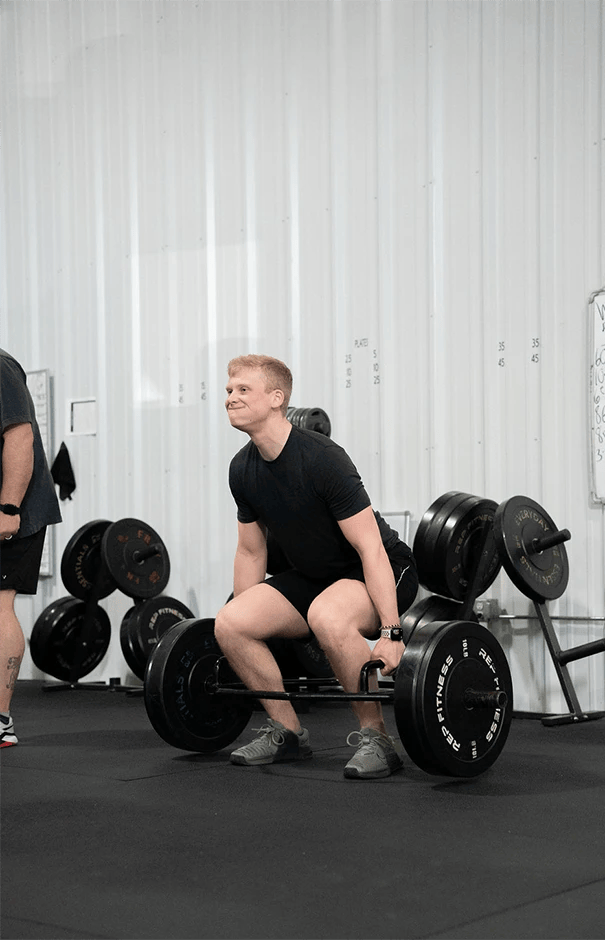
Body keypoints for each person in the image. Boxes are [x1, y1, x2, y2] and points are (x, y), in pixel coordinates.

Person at [214, 354, 418, 779]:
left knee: (328, 613)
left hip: (378, 569)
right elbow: (252, 554)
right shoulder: (242, 469)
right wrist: (245, 620)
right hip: (314, 575)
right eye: (229, 390)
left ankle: (377, 737)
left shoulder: (322, 458)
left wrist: (391, 632)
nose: (230, 398)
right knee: (231, 623)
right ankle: (287, 731)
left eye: (242, 390)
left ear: (276, 398)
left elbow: (371, 549)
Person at [0, 348, 62, 747]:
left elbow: (19, 434)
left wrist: (8, 507)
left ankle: (0, 720)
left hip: (11, 509)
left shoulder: (0, 367)